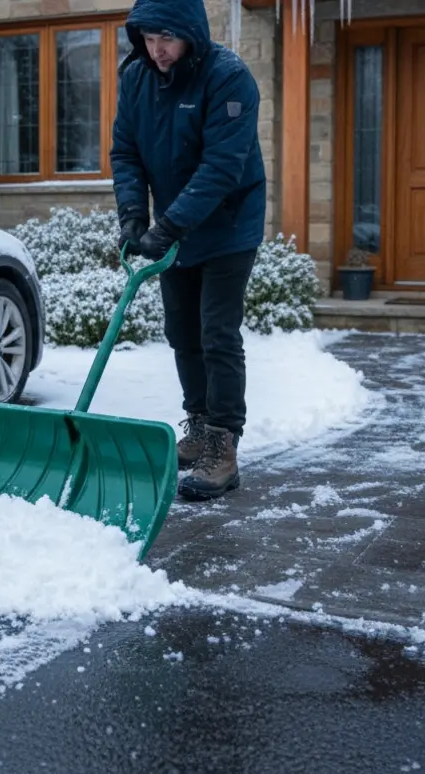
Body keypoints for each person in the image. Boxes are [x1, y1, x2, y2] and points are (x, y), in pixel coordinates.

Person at [111, 0, 267, 501]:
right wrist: (134, 215)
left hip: (228, 225)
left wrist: (170, 224)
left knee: (216, 331)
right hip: (175, 229)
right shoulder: (136, 76)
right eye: (149, 37)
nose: (158, 49)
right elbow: (126, 150)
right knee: (181, 331)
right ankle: (198, 425)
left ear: (191, 34)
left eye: (168, 38)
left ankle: (222, 445)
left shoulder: (229, 77)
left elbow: (223, 165)